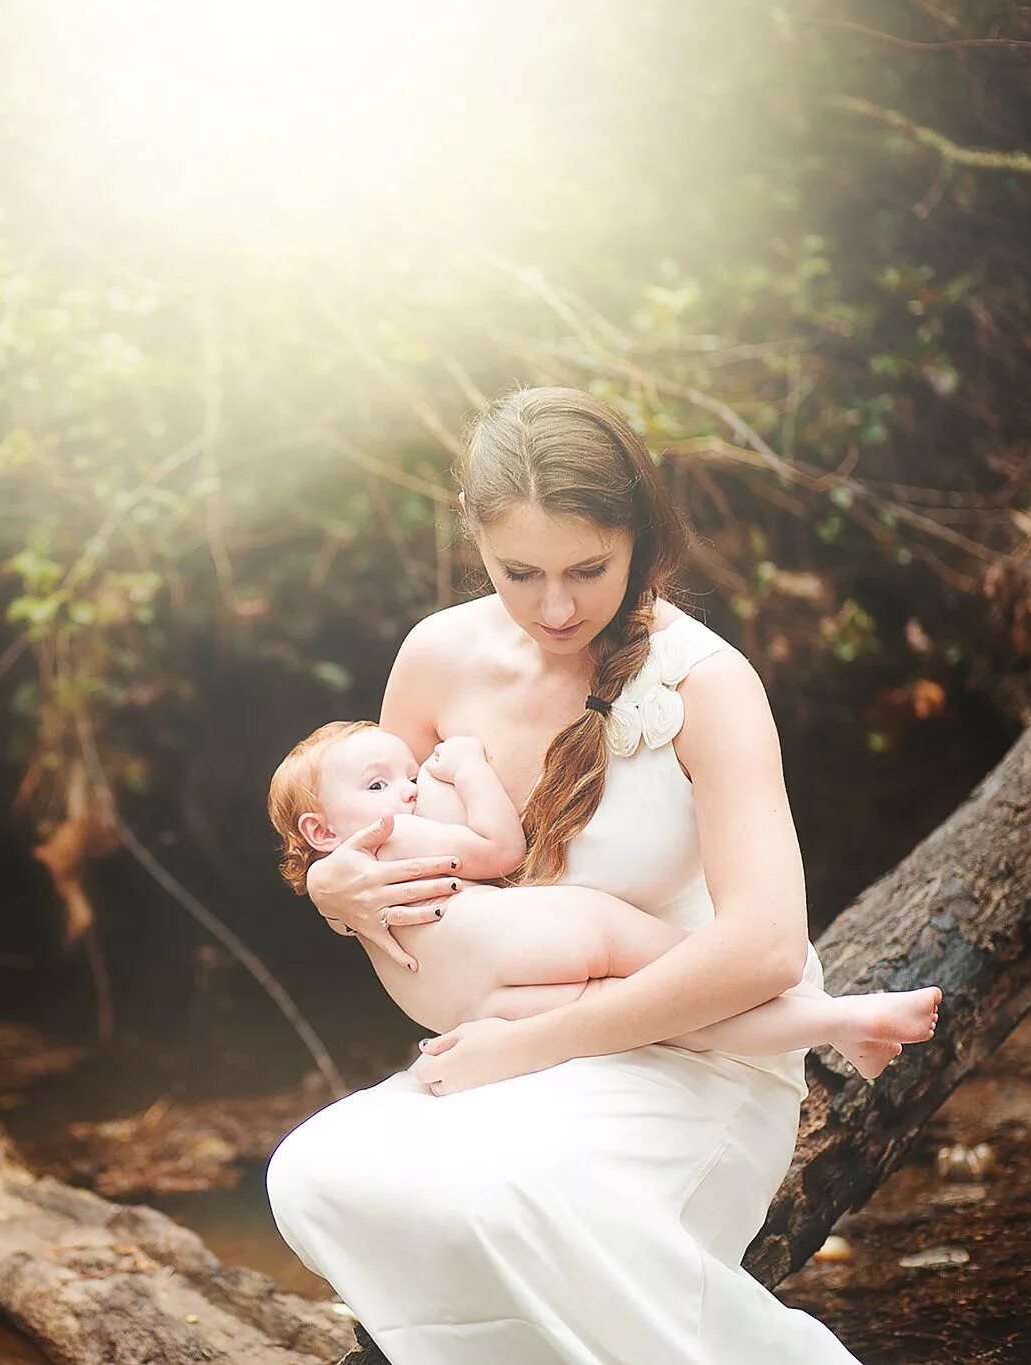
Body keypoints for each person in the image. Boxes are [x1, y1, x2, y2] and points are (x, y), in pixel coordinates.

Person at [263, 385, 871, 1363]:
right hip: (515, 1034)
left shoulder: (705, 684)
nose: (554, 607)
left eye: (587, 570)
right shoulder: (436, 656)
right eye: (519, 572)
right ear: (475, 542)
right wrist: (333, 893)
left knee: (509, 1197)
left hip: (692, 1043)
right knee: (315, 1174)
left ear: (642, 538)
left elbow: (761, 945)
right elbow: (376, 832)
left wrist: (532, 1046)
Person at [264, 719, 940, 1076]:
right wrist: (467, 768)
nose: (407, 791)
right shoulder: (393, 835)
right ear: (321, 829)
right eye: (379, 784)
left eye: (409, 774)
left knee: (681, 1022)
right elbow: (499, 850)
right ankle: (843, 1015)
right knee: (691, 979)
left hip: (485, 1002)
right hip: (548, 932)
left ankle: (846, 1026)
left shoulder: (356, 868)